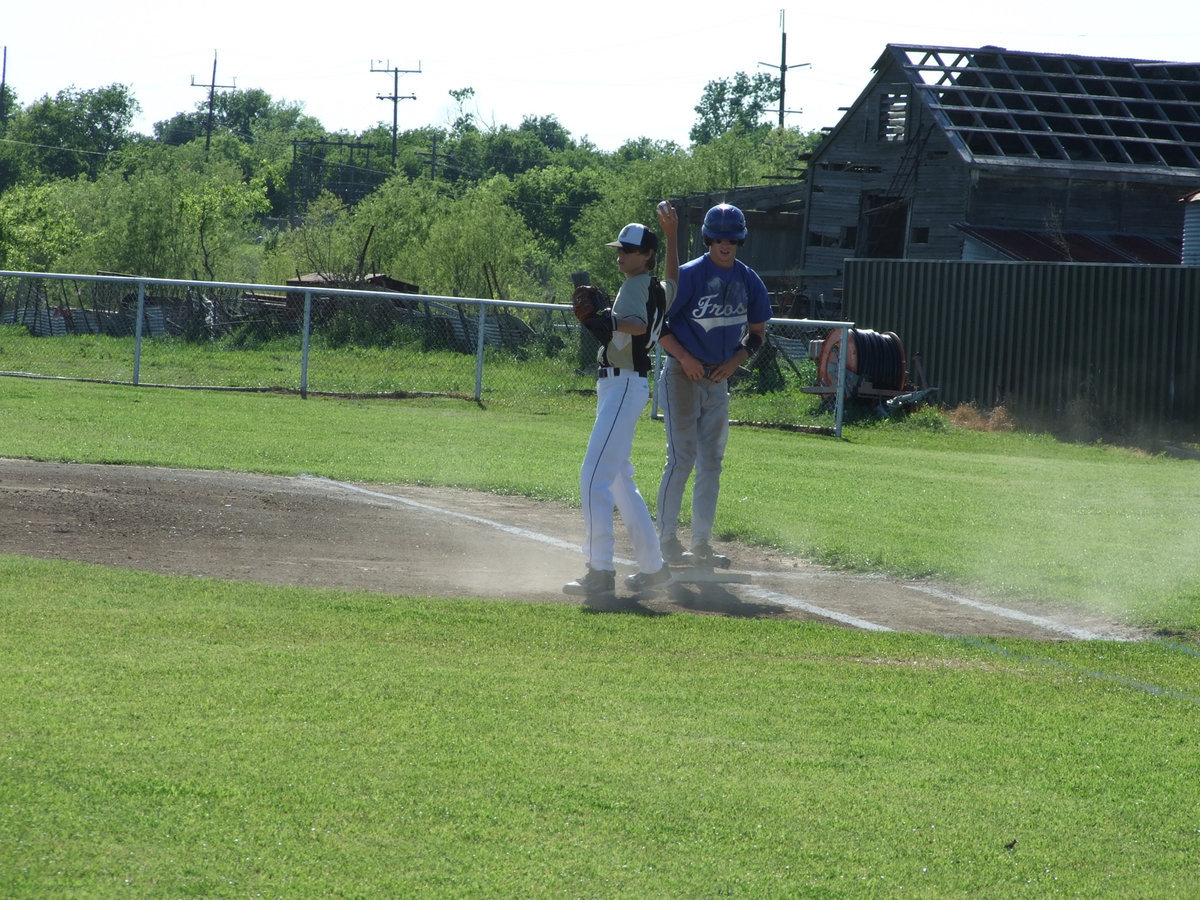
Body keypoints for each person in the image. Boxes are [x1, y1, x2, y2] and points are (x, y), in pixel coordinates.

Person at [562, 213, 677, 610]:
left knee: (593, 476)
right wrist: (672, 236)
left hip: (623, 383)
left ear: (645, 256)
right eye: (619, 250)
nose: (620, 256)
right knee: (617, 482)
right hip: (628, 384)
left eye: (627, 251)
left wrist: (605, 317)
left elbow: (635, 325)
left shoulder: (634, 286)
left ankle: (600, 572)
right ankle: (654, 569)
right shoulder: (658, 288)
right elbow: (673, 279)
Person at [654, 203, 772, 567]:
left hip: (718, 379)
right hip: (681, 375)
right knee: (682, 458)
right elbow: (659, 325)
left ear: (740, 241)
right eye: (718, 238)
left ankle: (701, 543)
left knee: (712, 462)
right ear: (708, 239)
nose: (725, 245)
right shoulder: (689, 275)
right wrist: (686, 358)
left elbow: (756, 334)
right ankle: (667, 540)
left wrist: (735, 362)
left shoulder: (749, 279)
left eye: (731, 239)